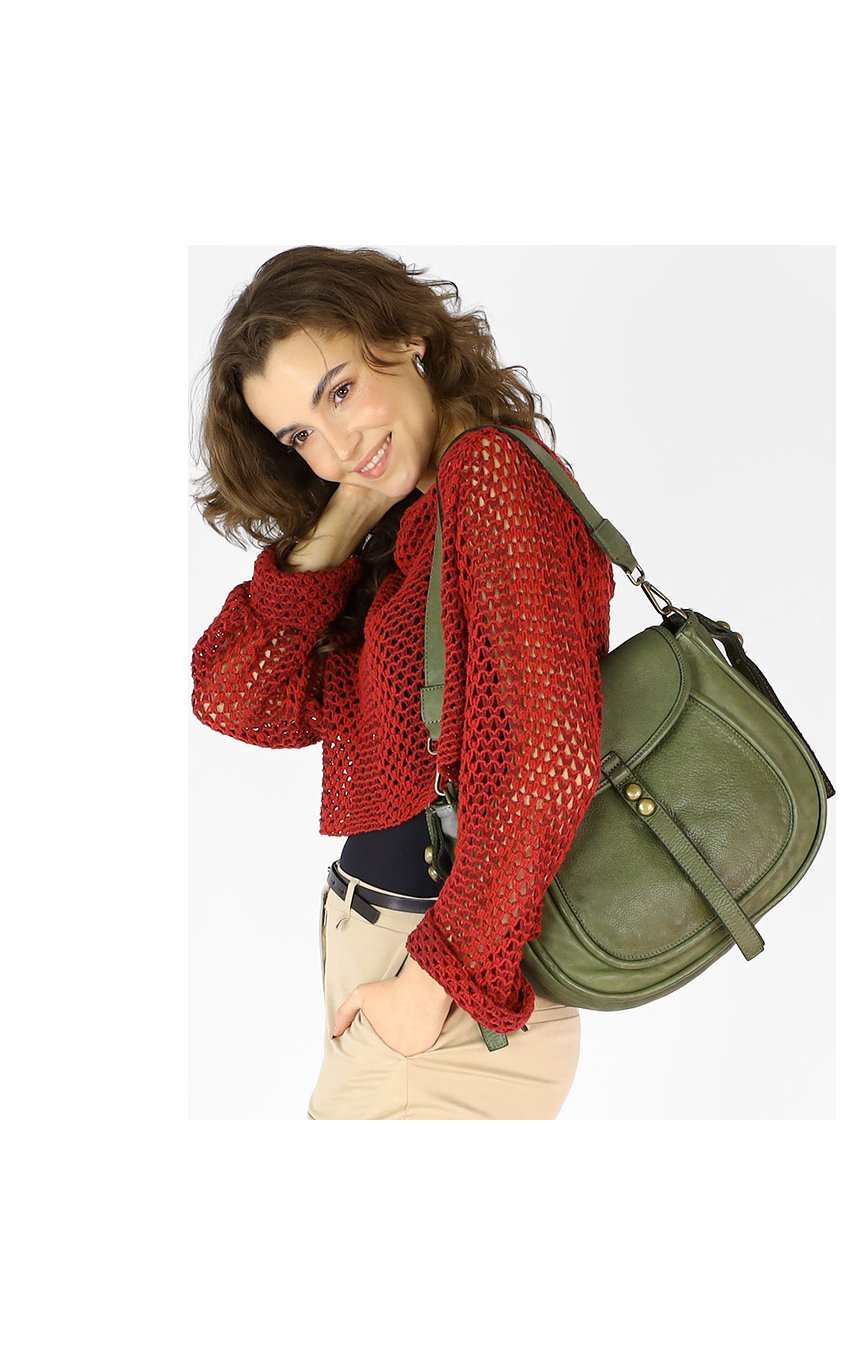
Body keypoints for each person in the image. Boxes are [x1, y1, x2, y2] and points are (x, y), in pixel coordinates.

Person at [190, 246, 615, 1119]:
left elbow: (549, 757)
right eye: (300, 436)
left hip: (443, 992)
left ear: (408, 337)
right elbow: (234, 695)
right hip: (406, 969)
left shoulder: (489, 476)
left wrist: (429, 986)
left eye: (340, 392)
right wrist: (351, 506)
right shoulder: (422, 519)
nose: (337, 444)